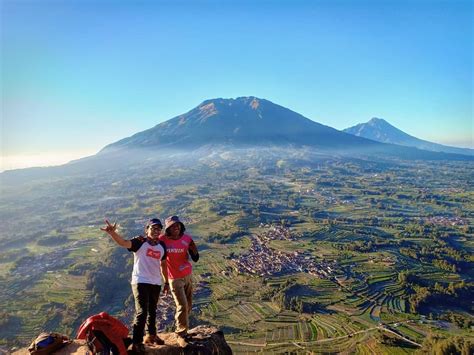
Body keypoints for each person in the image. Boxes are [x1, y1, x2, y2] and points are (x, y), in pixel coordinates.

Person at [100, 218, 167, 353]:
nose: (156, 231)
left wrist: (165, 282)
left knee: (153, 310)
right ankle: (137, 342)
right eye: (153, 228)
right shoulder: (140, 242)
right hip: (140, 281)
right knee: (142, 312)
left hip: (155, 282)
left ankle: (151, 335)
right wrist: (112, 233)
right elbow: (123, 243)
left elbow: (163, 264)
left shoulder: (162, 246)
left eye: (159, 229)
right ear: (146, 229)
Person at [159, 216, 199, 348]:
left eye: (178, 225)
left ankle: (184, 330)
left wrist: (194, 250)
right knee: (182, 305)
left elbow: (195, 257)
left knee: (189, 304)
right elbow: (151, 242)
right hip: (174, 278)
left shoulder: (187, 239)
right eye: (173, 226)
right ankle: (181, 333)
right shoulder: (162, 240)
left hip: (187, 275)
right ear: (168, 229)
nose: (176, 228)